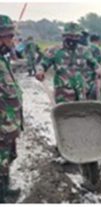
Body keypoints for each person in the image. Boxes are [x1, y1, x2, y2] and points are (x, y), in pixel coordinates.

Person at [35, 22, 101, 103]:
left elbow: (94, 64)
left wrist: (98, 69)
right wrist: (40, 71)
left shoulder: (84, 51)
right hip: (63, 91)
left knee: (81, 113)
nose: (73, 39)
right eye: (70, 36)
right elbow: (43, 64)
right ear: (64, 36)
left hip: (80, 90)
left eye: (76, 36)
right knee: (63, 113)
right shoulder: (55, 50)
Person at [0, 14, 23, 203]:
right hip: (1, 124)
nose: (12, 40)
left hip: (8, 123)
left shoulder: (3, 59)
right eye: (8, 36)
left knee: (6, 158)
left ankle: (5, 188)